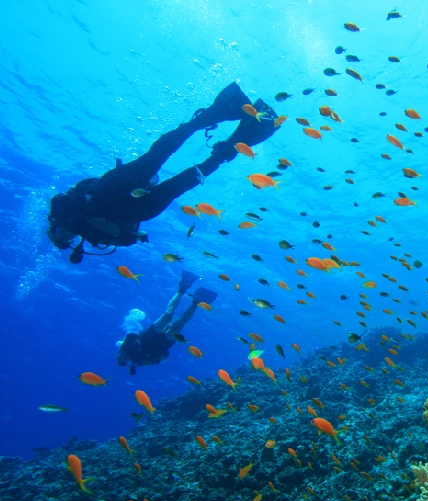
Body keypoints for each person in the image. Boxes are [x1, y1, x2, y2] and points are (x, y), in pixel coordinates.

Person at [47, 82, 278, 263]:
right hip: (137, 209)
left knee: (155, 156)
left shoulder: (62, 210)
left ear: (54, 229)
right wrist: (119, 234)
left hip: (114, 188)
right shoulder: (92, 236)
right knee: (181, 184)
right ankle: (231, 147)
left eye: (59, 236)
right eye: (67, 240)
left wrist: (89, 227)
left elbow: (66, 201)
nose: (66, 237)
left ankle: (214, 114)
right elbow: (127, 239)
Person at [116, 270, 216, 375]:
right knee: (178, 325)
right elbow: (164, 355)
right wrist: (154, 359)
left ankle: (182, 288)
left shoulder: (125, 348)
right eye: (122, 359)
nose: (121, 357)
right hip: (162, 346)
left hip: (149, 336)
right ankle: (195, 303)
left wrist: (123, 349)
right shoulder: (139, 362)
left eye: (119, 357)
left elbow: (132, 334)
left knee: (167, 316)